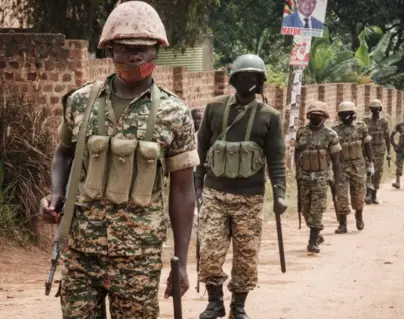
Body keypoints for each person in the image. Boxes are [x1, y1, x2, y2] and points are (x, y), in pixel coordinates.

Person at [39, 2, 198, 318]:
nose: (135, 57)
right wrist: (57, 195)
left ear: (156, 51)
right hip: (81, 250)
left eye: (144, 49)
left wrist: (180, 263)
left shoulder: (175, 113)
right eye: (126, 49)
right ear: (110, 50)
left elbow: (183, 190)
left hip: (138, 256)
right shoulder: (81, 101)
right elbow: (64, 152)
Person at [195, 53, 286, 319]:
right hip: (214, 193)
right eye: (242, 76)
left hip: (251, 196)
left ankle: (238, 305)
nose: (247, 81)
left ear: (260, 82)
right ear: (233, 79)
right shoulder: (214, 107)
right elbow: (201, 149)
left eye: (253, 77)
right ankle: (215, 302)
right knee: (210, 250)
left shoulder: (270, 116)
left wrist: (280, 193)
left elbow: (277, 157)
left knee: (246, 256)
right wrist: (198, 186)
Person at [295, 101, 341, 253]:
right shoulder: (301, 132)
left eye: (318, 116)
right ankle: (317, 234)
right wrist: (296, 173)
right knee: (305, 209)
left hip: (321, 177)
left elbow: (336, 160)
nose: (315, 118)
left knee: (317, 209)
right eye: (312, 116)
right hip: (304, 176)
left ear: (324, 117)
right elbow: (297, 152)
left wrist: (337, 180)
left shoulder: (330, 134)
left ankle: (312, 241)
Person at [332, 101, 373, 234]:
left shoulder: (361, 127)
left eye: (346, 113)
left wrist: (370, 164)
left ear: (352, 113)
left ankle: (359, 216)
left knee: (359, 194)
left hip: (358, 166)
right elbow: (331, 151)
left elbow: (367, 146)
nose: (344, 116)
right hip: (342, 166)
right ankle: (343, 224)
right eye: (342, 114)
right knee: (341, 195)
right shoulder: (335, 130)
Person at [363, 99, 391, 204]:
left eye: (377, 109)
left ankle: (374, 194)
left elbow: (387, 138)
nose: (375, 111)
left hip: (380, 150)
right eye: (373, 109)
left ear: (380, 109)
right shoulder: (365, 121)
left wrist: (388, 153)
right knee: (369, 171)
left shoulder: (384, 122)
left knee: (378, 173)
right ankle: (368, 194)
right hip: (368, 150)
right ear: (370, 109)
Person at [191, 108, 204, 240]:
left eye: (199, 119)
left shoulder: (203, 135)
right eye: (195, 118)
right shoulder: (188, 134)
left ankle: (200, 221)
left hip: (199, 171)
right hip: (189, 170)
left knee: (199, 195)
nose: (197, 121)